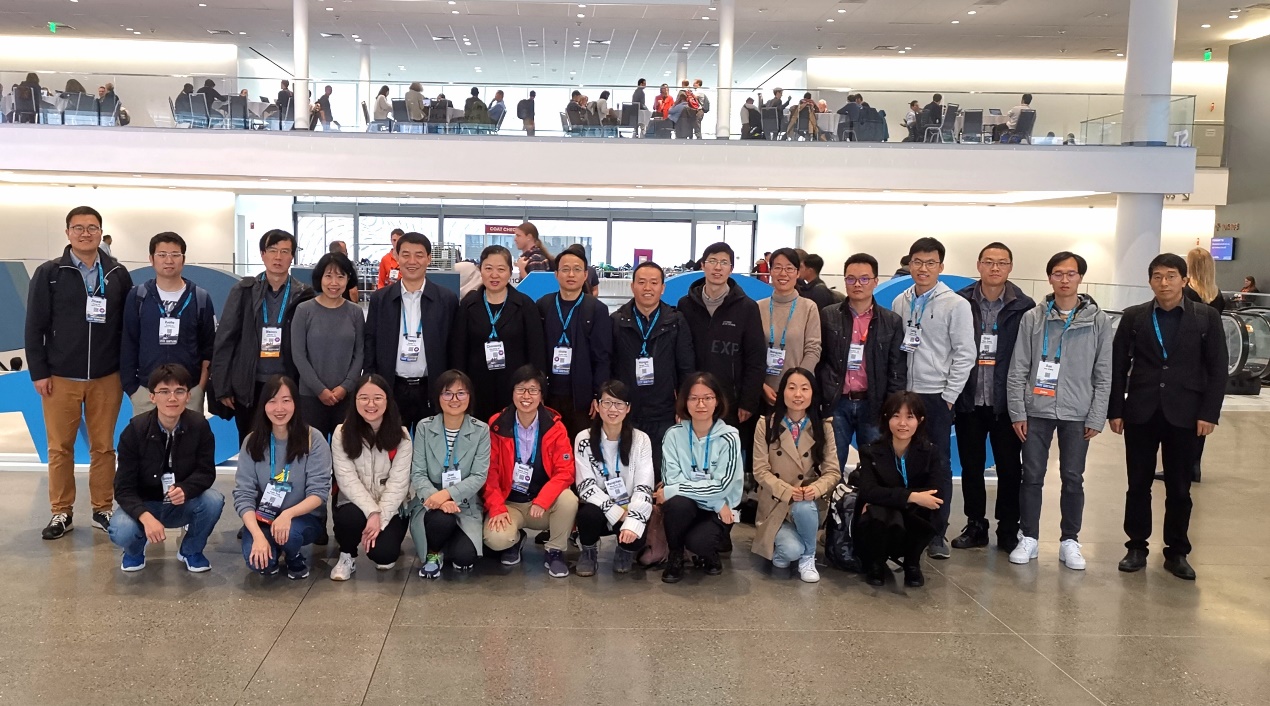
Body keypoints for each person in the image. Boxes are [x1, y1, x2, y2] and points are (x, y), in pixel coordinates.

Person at [1110, 254, 1227, 581]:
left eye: (1171, 276)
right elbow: (1117, 366)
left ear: (1184, 280)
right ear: (1150, 281)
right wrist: (1115, 409)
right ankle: (1136, 546)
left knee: (1179, 488)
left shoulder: (1205, 317)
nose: (1164, 283)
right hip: (1141, 412)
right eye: (1158, 276)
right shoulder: (1134, 317)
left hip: (1186, 415)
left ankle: (1177, 552)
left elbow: (1218, 369)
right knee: (1138, 484)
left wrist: (1209, 413)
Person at [26, 206, 133, 540]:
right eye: (78, 228)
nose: (85, 233)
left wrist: (125, 371)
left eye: (92, 227)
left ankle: (102, 508)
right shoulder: (50, 273)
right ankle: (61, 512)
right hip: (60, 377)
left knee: (104, 447)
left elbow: (127, 327)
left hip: (106, 376)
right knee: (60, 448)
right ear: (68, 232)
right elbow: (34, 326)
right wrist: (39, 372)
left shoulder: (117, 273)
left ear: (101, 232)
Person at [1006, 251, 1112, 570]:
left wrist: (1097, 416)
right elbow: (1018, 367)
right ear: (1049, 278)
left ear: (1081, 278)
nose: (1064, 280)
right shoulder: (1033, 318)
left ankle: (1070, 540)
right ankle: (1029, 537)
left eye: (1071, 274)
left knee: (1073, 477)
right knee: (1032, 476)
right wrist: (1017, 412)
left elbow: (1104, 373)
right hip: (1036, 409)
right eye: (1058, 274)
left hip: (1078, 412)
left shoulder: (1098, 320)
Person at [890, 237, 975, 559]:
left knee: (938, 465)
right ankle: (905, 525)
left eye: (930, 263)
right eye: (917, 262)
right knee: (902, 462)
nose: (922, 268)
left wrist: (949, 396)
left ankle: (937, 532)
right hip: (905, 395)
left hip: (936, 395)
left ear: (941, 266)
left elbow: (966, 353)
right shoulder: (900, 301)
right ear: (909, 264)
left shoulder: (956, 305)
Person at [950, 243, 1036, 553]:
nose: (995, 268)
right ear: (978, 265)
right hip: (969, 400)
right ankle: (976, 525)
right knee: (971, 467)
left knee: (1010, 469)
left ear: (1010, 267)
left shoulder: (1024, 306)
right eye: (988, 262)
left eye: (1001, 262)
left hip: (1006, 403)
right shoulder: (960, 301)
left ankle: (1008, 527)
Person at [107, 364, 223, 573]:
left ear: (188, 396)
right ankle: (134, 551)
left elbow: (206, 472)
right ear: (152, 397)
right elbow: (123, 488)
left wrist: (186, 488)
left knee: (213, 500)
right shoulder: (135, 431)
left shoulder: (199, 426)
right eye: (164, 391)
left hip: (180, 503)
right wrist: (144, 516)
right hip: (145, 503)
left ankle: (191, 550)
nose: (172, 398)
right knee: (121, 529)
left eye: (179, 391)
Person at [211, 229, 315, 446]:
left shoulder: (304, 295)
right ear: (262, 254)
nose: (278, 257)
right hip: (249, 385)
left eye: (285, 251)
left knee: (288, 445)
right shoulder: (243, 291)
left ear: (292, 257)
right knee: (251, 444)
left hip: (289, 383)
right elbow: (225, 339)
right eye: (272, 250)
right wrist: (222, 386)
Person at [483, 365, 579, 578]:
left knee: (568, 500)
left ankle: (554, 551)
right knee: (495, 539)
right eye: (520, 389)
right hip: (510, 504)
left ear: (542, 395)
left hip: (543, 505)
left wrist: (543, 500)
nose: (526, 396)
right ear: (512, 393)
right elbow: (490, 472)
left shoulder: (555, 426)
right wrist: (496, 508)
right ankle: (515, 541)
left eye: (533, 390)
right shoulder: (497, 424)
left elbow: (565, 472)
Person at [233, 375, 332, 579]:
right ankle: (273, 548)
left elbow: (319, 492)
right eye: (272, 401)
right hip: (264, 517)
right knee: (259, 563)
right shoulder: (252, 441)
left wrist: (287, 515)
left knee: (290, 535)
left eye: (286, 400)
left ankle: (293, 555)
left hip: (302, 518)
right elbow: (243, 494)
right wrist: (257, 535)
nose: (279, 408)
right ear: (263, 406)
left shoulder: (313, 438)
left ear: (296, 403)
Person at [751, 368, 840, 582]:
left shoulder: (823, 427)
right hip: (775, 503)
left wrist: (814, 489)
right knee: (791, 550)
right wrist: (787, 491)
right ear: (782, 392)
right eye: (791, 388)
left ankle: (808, 557)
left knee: (804, 506)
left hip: (807, 504)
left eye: (804, 388)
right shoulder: (766, 424)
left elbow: (833, 471)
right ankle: (789, 551)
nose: (798, 394)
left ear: (812, 393)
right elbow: (760, 470)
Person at [818, 253, 906, 468]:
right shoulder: (828, 315)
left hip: (874, 404)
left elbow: (896, 368)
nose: (857, 284)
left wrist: (892, 406)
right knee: (831, 465)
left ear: (876, 281)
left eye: (864, 279)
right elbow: (820, 360)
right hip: (837, 402)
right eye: (851, 279)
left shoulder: (891, 321)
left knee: (876, 466)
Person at [364, 232, 458, 432]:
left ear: (429, 259)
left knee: (432, 444)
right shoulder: (380, 299)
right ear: (396, 257)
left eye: (419, 255)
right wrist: (371, 382)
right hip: (392, 388)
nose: (412, 261)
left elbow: (454, 346)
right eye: (406, 255)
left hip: (433, 388)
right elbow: (370, 341)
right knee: (392, 444)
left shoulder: (446, 299)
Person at [656, 372, 744, 583]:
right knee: (677, 505)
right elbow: (671, 478)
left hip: (718, 511)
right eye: (694, 398)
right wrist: (716, 502)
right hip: (704, 505)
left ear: (717, 401)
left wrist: (673, 490)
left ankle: (708, 553)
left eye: (707, 398)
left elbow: (722, 486)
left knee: (699, 541)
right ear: (685, 402)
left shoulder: (729, 437)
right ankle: (676, 554)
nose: (701, 404)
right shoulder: (673, 435)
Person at [610, 261, 696, 476]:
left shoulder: (676, 321)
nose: (647, 288)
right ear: (632, 286)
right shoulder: (616, 321)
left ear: (663, 288)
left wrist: (684, 405)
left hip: (664, 411)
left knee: (660, 470)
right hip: (627, 410)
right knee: (627, 469)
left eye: (654, 283)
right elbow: (609, 365)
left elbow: (686, 367)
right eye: (641, 282)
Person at [120, 232, 216, 416]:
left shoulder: (200, 298)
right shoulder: (138, 297)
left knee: (189, 436)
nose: (169, 260)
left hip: (187, 393)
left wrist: (199, 388)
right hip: (146, 393)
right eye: (162, 254)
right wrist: (133, 389)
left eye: (175, 254)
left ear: (183, 259)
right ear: (151, 259)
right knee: (146, 436)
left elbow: (209, 348)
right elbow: (128, 344)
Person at [854, 392, 944, 588]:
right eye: (896, 416)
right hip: (886, 516)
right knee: (878, 512)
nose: (902, 423)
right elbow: (868, 491)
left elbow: (936, 492)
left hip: (912, 515)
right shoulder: (871, 451)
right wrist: (911, 496)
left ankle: (912, 563)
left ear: (920, 420)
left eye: (909, 417)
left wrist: (892, 496)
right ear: (886, 418)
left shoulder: (930, 452)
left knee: (928, 510)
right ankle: (876, 562)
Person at [328, 374, 412, 580]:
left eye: (377, 398)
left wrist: (379, 519)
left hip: (390, 508)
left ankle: (381, 538)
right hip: (354, 504)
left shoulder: (402, 436)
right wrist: (372, 512)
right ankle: (347, 555)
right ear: (355, 400)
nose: (370, 404)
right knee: (349, 518)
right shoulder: (341, 433)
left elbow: (399, 485)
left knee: (384, 555)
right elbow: (346, 479)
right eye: (364, 398)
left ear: (388, 400)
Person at [450, 245, 547, 421]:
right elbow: (458, 351)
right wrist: (459, 388)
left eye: (501, 269)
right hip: (476, 389)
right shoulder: (468, 305)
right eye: (488, 268)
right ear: (480, 270)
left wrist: (535, 390)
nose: (494, 275)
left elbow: (536, 352)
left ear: (510, 272)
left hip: (516, 390)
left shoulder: (525, 305)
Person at [410, 369, 489, 578]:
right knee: (440, 520)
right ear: (438, 397)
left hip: (465, 504)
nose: (454, 399)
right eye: (447, 393)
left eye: (461, 393)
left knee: (464, 558)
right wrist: (438, 499)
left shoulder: (481, 430)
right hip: (430, 503)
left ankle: (451, 541)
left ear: (469, 397)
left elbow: (479, 476)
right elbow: (418, 473)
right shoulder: (424, 427)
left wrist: (448, 495)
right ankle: (434, 553)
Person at [573, 380, 655, 576]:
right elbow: (585, 486)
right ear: (597, 406)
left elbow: (644, 486)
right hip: (600, 508)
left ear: (628, 408)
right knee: (587, 515)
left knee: (637, 533)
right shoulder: (583, 439)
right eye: (607, 402)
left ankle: (625, 550)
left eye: (619, 404)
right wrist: (615, 511)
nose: (612, 409)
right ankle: (589, 551)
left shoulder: (641, 440)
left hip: (629, 506)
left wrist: (632, 520)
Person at [537, 244, 611, 438]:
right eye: (565, 269)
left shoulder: (597, 309)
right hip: (549, 395)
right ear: (556, 274)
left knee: (580, 446)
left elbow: (602, 357)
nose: (571, 274)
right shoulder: (543, 305)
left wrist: (598, 395)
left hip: (582, 399)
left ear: (585, 275)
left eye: (577, 269)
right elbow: (536, 352)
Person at [290, 252, 364, 438]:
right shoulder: (304, 310)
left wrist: (345, 387)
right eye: (328, 276)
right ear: (320, 278)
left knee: (346, 449)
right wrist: (319, 390)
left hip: (346, 396)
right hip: (310, 396)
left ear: (348, 279)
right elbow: (298, 354)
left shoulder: (355, 312)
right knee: (311, 449)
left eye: (340, 276)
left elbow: (360, 353)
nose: (334, 283)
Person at [757, 248, 822, 408]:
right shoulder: (758, 307)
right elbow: (749, 352)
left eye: (789, 268)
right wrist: (761, 384)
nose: (783, 273)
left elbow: (813, 350)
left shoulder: (809, 307)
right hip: (763, 391)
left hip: (798, 394)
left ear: (798, 273)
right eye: (777, 267)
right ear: (770, 271)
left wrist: (795, 385)